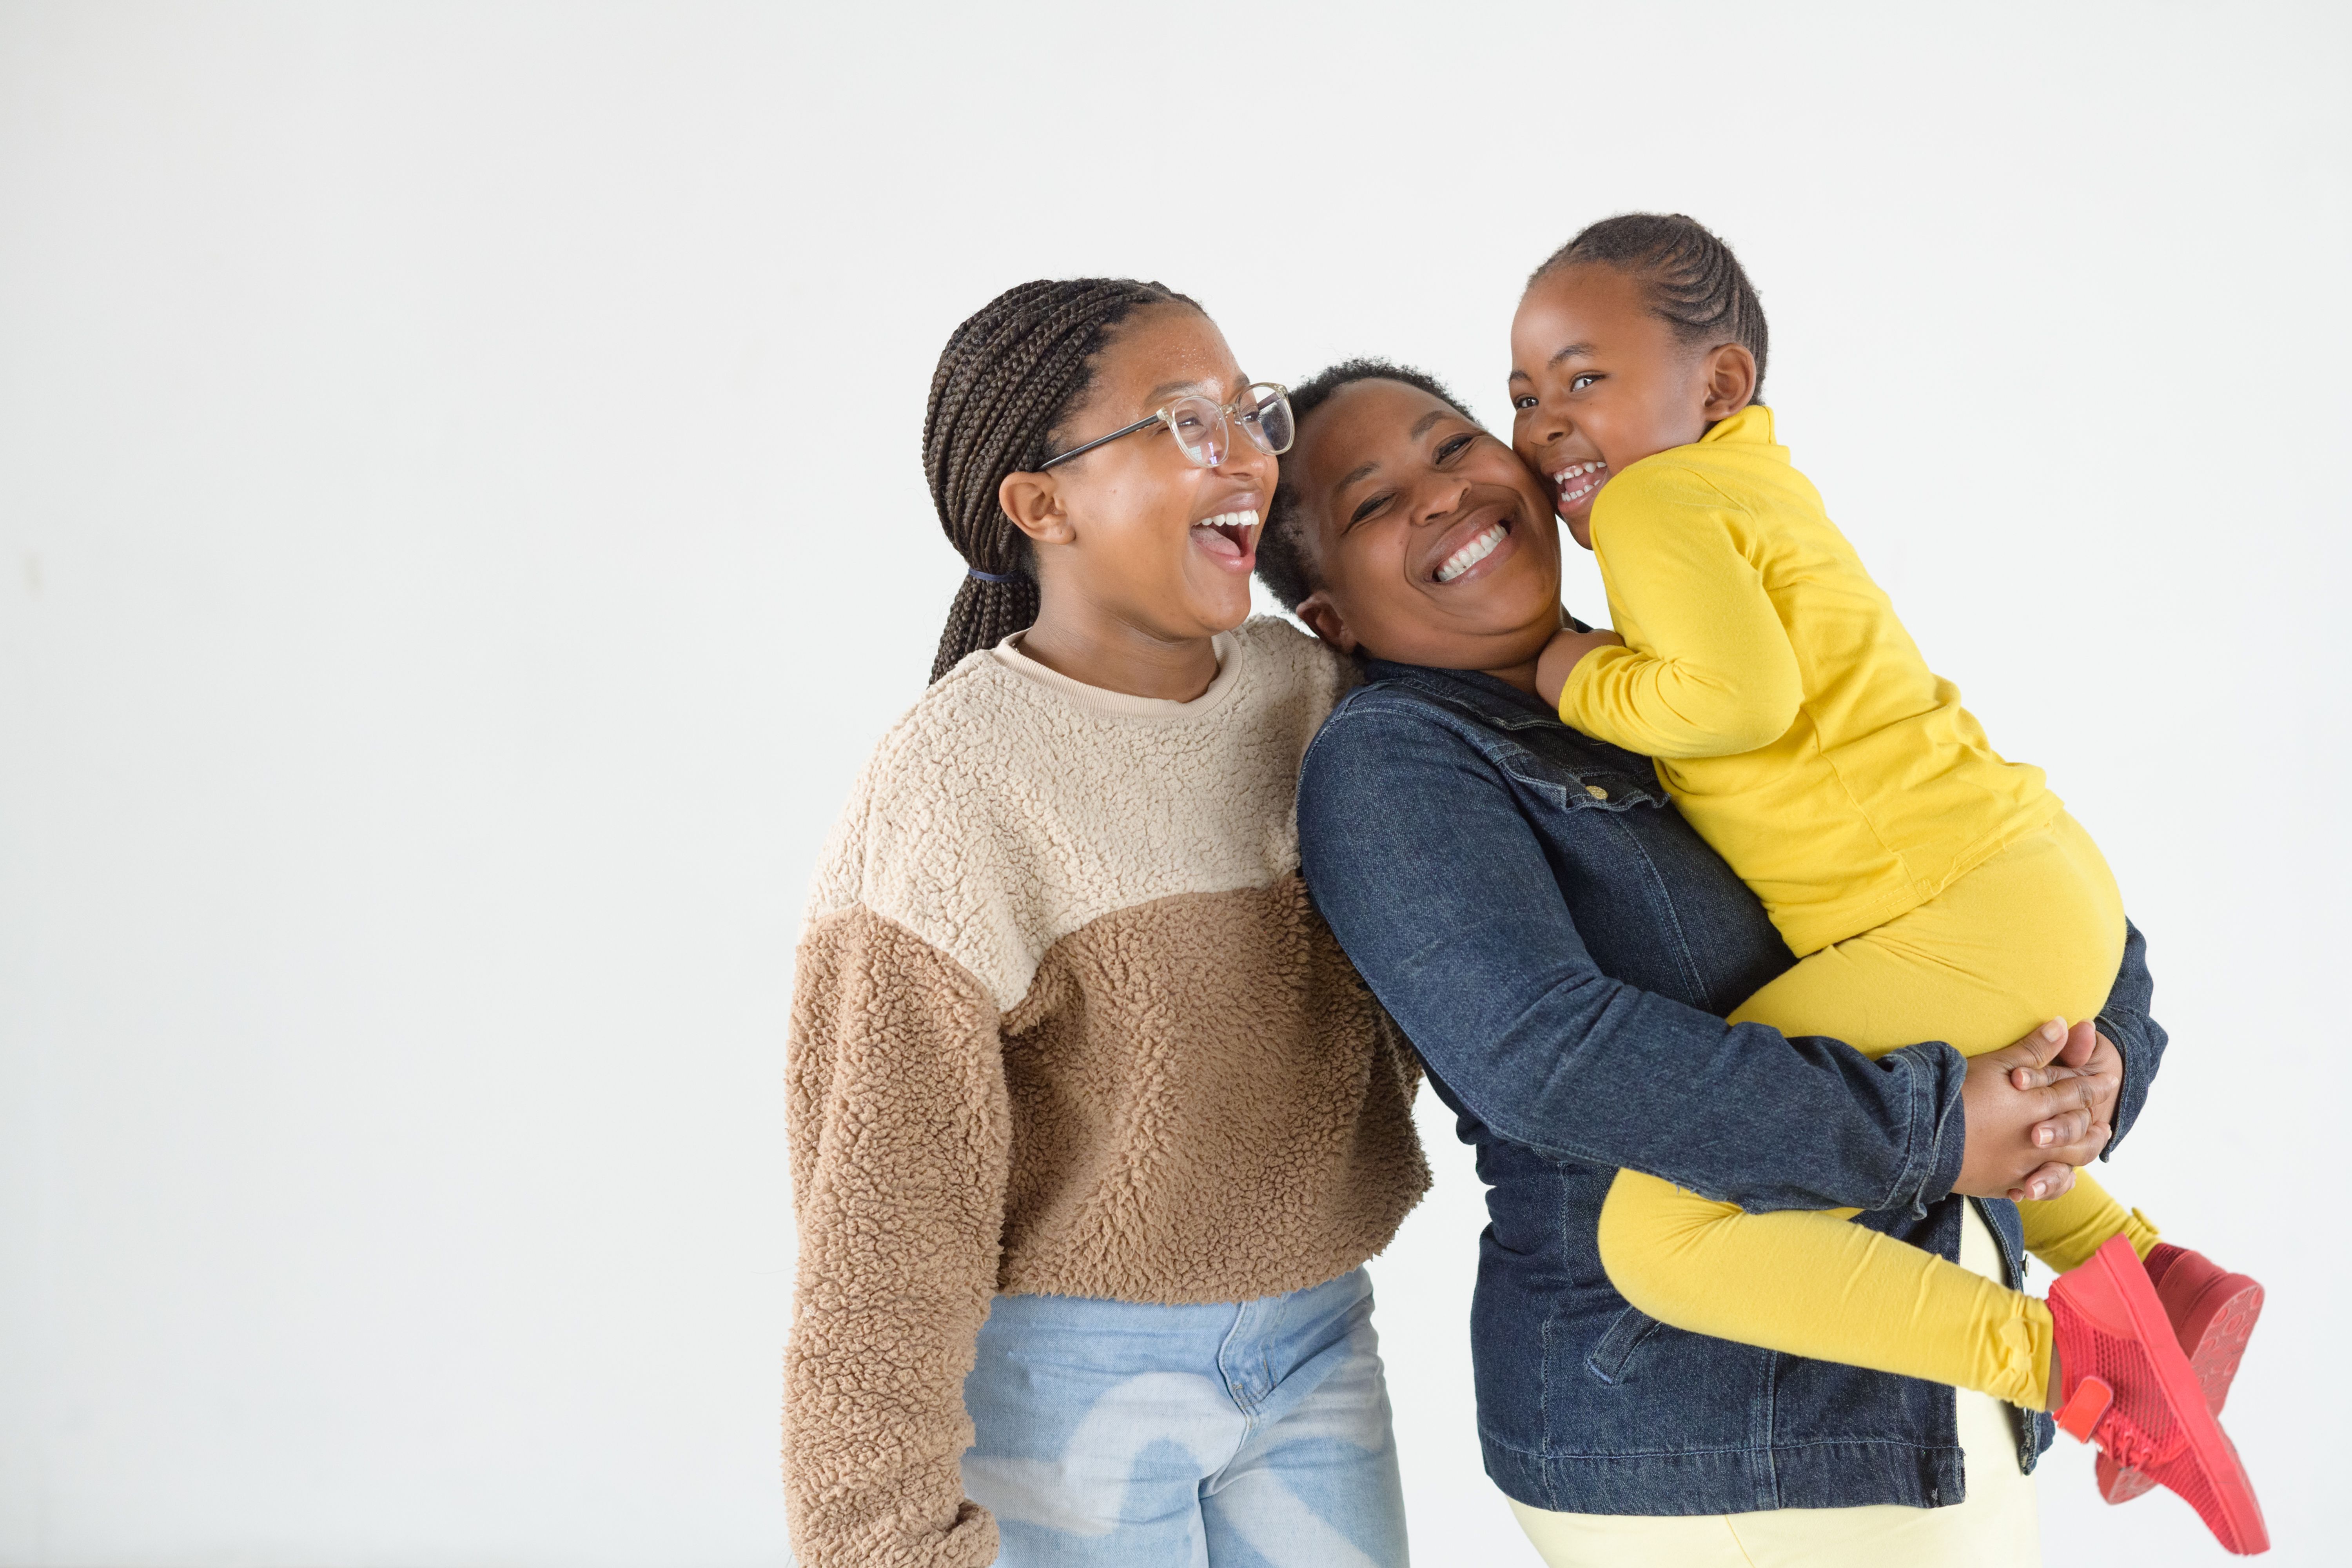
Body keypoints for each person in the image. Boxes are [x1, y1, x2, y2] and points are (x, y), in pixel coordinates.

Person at [1260, 359, 2183, 1566]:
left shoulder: (1676, 667)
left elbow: (1986, 856)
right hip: (1709, 1434)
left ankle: (2133, 1319)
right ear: (1331, 617)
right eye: (1373, 504)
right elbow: (1549, 1060)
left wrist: (2099, 1060)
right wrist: (1937, 1132)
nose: (1441, 496)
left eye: (1455, 447)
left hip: (1937, 1383)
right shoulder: (1394, 762)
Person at [1513, 214, 2261, 1551]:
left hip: (1960, 909)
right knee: (1901, 1092)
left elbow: (1733, 698)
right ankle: (2144, 1269)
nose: (1547, 424)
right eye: (1522, 394)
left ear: (1721, 387)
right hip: (2026, 880)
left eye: (1583, 379)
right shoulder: (1755, 484)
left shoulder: (1654, 500)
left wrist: (1575, 674)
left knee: (1661, 1231)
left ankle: (2074, 1372)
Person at [784, 278, 1432, 1568]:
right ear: (1042, 504)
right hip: (1063, 1380)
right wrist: (884, 1542)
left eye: (1249, 414)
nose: (1248, 454)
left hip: (1317, 1342)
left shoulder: (1312, 695)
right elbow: (883, 1218)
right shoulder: (955, 778)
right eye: (1184, 422)